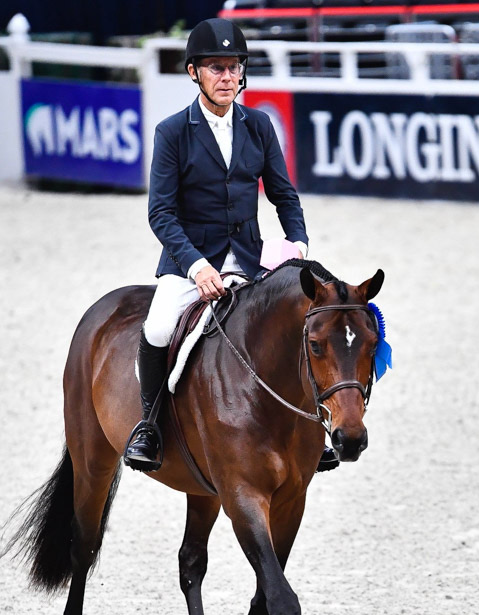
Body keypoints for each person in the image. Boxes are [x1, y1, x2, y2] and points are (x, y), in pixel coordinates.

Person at [124, 17, 337, 473]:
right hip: (190, 263)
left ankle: (314, 429)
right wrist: (197, 266)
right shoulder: (172, 132)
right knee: (159, 327)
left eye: (233, 67)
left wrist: (296, 241)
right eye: (215, 67)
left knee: (301, 322)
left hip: (250, 257)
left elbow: (283, 193)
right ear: (194, 73)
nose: (226, 76)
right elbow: (160, 213)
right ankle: (150, 425)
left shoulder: (258, 125)